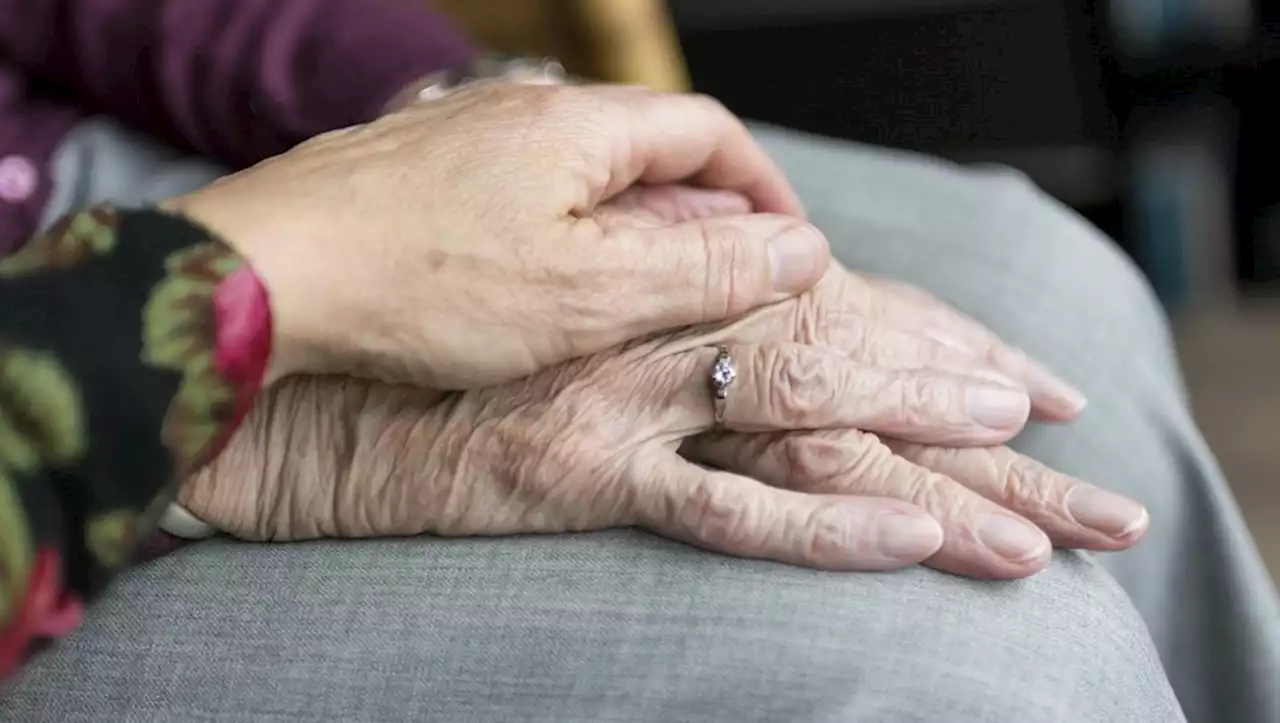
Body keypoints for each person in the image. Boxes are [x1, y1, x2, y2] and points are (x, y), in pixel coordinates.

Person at [0, 2, 1275, 723]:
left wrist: (462, 120)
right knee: (986, 662)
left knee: (1042, 286)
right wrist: (252, 385)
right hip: (51, 453)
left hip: (105, 170)